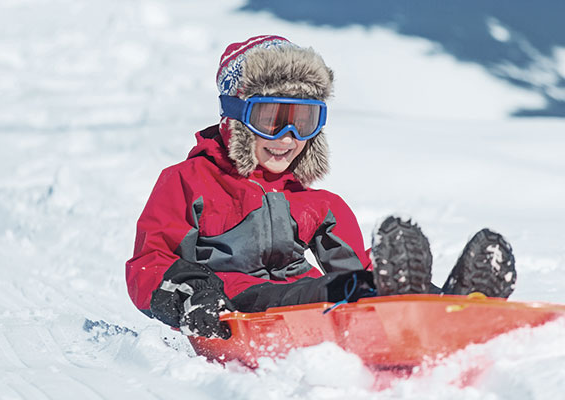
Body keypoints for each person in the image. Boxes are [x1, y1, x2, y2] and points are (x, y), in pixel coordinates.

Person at [125, 35, 516, 339]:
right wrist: (193, 293)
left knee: (358, 285)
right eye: (272, 118)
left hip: (309, 296)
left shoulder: (315, 203)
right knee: (333, 293)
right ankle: (395, 303)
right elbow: (149, 262)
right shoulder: (187, 181)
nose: (288, 136)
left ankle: (450, 303)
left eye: (304, 120)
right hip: (235, 304)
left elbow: (354, 266)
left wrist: (384, 278)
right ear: (236, 118)